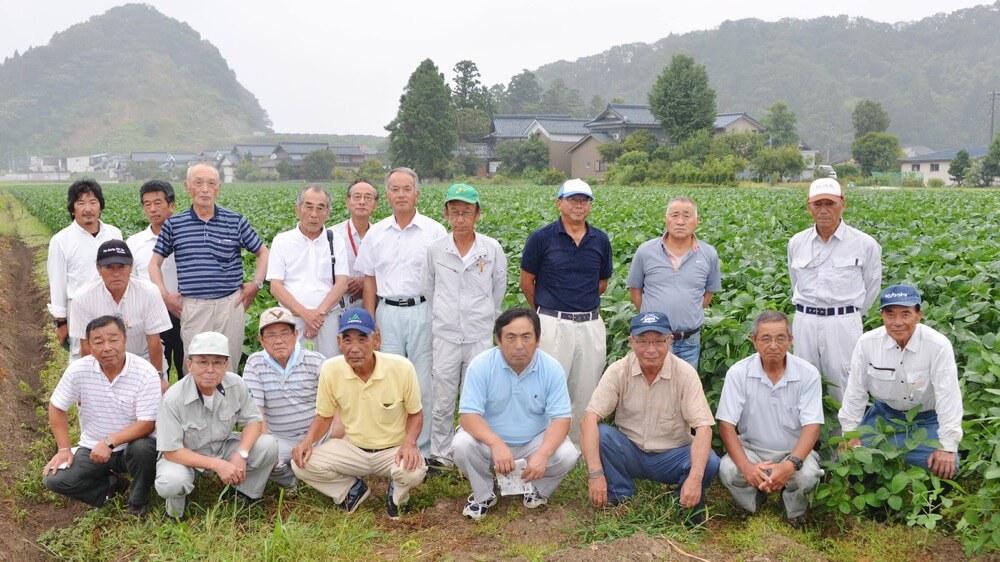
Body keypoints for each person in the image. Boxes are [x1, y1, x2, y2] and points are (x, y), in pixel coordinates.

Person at [580, 311, 719, 524]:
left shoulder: (685, 374)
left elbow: (703, 427)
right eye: (643, 341)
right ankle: (620, 496)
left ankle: (683, 505)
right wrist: (595, 474)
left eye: (658, 341)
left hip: (671, 456)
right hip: (631, 452)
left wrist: (695, 478)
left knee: (708, 461)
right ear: (631, 342)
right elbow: (590, 417)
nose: (651, 350)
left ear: (670, 340)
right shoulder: (618, 370)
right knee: (602, 434)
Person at [291, 309, 427, 519]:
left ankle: (397, 498)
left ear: (377, 340)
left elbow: (415, 414)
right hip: (352, 448)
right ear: (338, 342)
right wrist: (307, 441)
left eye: (362, 339)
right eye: (347, 340)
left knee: (414, 471)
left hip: (393, 450)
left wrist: (409, 443)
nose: (354, 349)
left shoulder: (401, 368)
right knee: (301, 463)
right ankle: (351, 490)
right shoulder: (331, 369)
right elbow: (324, 416)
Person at [453, 308, 579, 520]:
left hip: (533, 442)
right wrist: (495, 443)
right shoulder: (481, 366)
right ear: (498, 341)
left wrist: (543, 454)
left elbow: (561, 419)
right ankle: (484, 494)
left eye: (526, 337)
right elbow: (468, 416)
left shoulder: (552, 368)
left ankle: (536, 488)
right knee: (461, 445)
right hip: (491, 441)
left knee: (567, 454)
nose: (519, 345)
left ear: (538, 339)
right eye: (511, 337)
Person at [356, 167, 446, 457]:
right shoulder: (376, 233)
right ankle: (391, 445)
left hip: (423, 310)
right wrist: (369, 323)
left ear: (417, 193)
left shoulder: (434, 231)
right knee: (387, 380)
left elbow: (443, 278)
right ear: (387, 196)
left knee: (422, 382)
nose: (401, 194)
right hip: (387, 312)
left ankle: (424, 449)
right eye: (395, 189)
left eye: (407, 188)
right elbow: (369, 280)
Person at [149, 163, 269, 372]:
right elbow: (154, 264)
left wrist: (257, 284)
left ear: (218, 188)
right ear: (187, 187)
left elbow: (262, 252)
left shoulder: (235, 221)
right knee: (196, 365)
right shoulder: (174, 224)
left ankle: (228, 406)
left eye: (211, 183)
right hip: (194, 306)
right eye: (198, 183)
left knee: (228, 364)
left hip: (230, 304)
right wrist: (165, 295)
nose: (205, 189)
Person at [520, 178, 613, 444]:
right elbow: (527, 282)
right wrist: (543, 313)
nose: (578, 205)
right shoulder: (541, 238)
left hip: (589, 323)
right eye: (572, 199)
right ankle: (542, 445)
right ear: (559, 203)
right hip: (552, 321)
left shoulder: (600, 240)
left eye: (584, 200)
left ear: (590, 206)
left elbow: (602, 284)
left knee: (586, 389)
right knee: (548, 387)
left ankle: (578, 450)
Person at [839, 285, 963, 479]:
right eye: (890, 315)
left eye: (905, 314)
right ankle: (877, 505)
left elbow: (949, 398)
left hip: (928, 418)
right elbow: (855, 392)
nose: (897, 323)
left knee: (946, 466)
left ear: (918, 315)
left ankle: (926, 501)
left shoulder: (938, 345)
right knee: (851, 458)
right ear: (881, 315)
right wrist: (849, 433)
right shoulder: (867, 343)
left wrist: (948, 446)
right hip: (885, 416)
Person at [422, 183, 507, 467]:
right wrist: (447, 316)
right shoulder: (435, 250)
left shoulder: (491, 249)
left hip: (480, 336)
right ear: (446, 214)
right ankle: (441, 455)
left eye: (466, 212)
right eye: (454, 212)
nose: (460, 218)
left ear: (477, 214)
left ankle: (476, 453)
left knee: (478, 397)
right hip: (445, 335)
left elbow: (498, 291)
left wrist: (482, 319)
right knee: (443, 397)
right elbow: (429, 290)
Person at [42, 316, 160, 516]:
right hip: (92, 448)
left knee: (144, 449)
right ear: (88, 345)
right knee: (54, 479)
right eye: (98, 342)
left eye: (113, 340)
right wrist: (64, 449)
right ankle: (110, 489)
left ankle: (138, 502)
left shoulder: (145, 373)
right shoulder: (79, 370)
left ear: (124, 340)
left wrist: (110, 442)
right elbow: (56, 406)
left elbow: (147, 424)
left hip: (130, 447)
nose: (107, 347)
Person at [154, 332, 278, 521]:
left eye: (218, 362)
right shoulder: (172, 398)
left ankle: (243, 494)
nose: (210, 370)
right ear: (189, 365)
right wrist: (217, 465)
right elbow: (171, 451)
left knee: (268, 445)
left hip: (222, 447)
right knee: (172, 482)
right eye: (202, 362)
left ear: (226, 364)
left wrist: (241, 454)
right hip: (186, 457)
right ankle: (175, 513)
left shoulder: (237, 384)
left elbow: (253, 421)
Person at [716, 311, 824, 529]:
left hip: (792, 450)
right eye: (765, 338)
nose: (773, 345)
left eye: (781, 338)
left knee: (808, 475)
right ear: (754, 341)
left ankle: (794, 510)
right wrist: (746, 467)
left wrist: (790, 465)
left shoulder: (808, 373)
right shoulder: (738, 373)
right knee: (728, 470)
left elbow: (812, 427)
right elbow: (726, 425)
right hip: (751, 449)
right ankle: (751, 503)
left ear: (791, 341)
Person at [788, 178, 881, 404]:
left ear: (843, 204)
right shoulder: (796, 242)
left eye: (830, 204)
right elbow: (795, 282)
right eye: (817, 204)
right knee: (801, 381)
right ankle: (808, 438)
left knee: (845, 383)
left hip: (843, 322)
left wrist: (850, 314)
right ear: (808, 206)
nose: (823, 210)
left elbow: (872, 286)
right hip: (805, 320)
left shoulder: (865, 244)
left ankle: (845, 438)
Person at [627, 196, 721, 369]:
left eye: (687, 216)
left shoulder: (709, 254)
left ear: (697, 220)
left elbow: (708, 294)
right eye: (674, 215)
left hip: (689, 341)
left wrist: (689, 311)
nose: (680, 221)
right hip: (652, 340)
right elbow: (635, 291)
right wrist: (651, 317)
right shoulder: (646, 251)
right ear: (665, 219)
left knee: (684, 391)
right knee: (651, 389)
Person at [69, 240, 172, 392]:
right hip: (101, 362)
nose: (116, 273)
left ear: (131, 267)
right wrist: (89, 384)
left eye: (121, 267)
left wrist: (158, 377)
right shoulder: (83, 298)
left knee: (150, 410)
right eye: (109, 268)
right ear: (98, 269)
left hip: (141, 359)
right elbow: (86, 346)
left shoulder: (149, 292)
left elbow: (154, 340)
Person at [242, 307, 327, 491]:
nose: (279, 340)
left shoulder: (316, 361)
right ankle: (291, 480)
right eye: (271, 335)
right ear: (261, 340)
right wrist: (268, 450)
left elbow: (334, 405)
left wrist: (309, 440)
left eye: (284, 333)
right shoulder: (254, 363)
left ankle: (310, 471)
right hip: (280, 437)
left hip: (317, 436)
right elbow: (257, 413)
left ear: (296, 334)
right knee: (255, 455)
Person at [267, 185, 349, 358]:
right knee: (294, 367)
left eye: (321, 208)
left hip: (328, 319)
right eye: (308, 206)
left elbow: (341, 283)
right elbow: (276, 286)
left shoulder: (336, 241)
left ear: (328, 213)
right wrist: (305, 314)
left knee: (329, 368)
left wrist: (317, 315)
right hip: (292, 319)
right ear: (298, 209)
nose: (314, 214)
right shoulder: (282, 241)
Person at [47, 179, 123, 361]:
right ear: (73, 209)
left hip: (112, 305)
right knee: (82, 358)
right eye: (81, 203)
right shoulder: (61, 240)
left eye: (93, 202)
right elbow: (57, 283)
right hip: (79, 310)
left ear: (100, 206)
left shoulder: (114, 233)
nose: (87, 208)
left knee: (114, 353)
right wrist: (61, 322)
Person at [127, 180, 184, 376]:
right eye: (147, 204)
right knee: (156, 372)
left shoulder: (186, 238)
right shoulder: (134, 243)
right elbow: (131, 284)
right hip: (151, 316)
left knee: (189, 368)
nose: (152, 209)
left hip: (184, 312)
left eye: (158, 203)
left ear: (171, 205)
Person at [330, 180, 378, 310]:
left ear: (375, 205)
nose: (362, 202)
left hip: (374, 307)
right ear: (347, 202)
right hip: (338, 308)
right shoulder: (331, 236)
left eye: (368, 197)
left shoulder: (381, 236)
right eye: (357, 197)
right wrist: (343, 283)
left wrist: (366, 282)